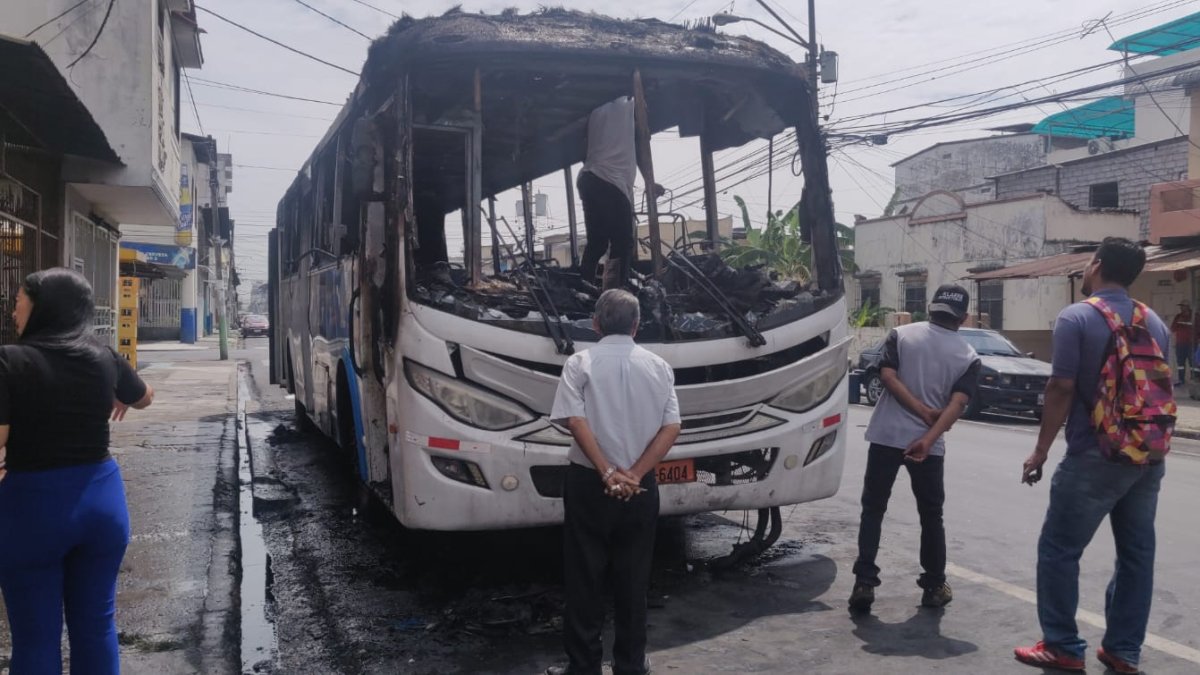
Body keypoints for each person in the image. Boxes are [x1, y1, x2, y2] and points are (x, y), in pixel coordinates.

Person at [1015, 238, 1170, 674]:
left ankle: (1063, 645)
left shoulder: (1077, 317)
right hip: (1147, 457)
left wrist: (1041, 449)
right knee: (1137, 553)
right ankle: (1123, 650)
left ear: (1097, 266)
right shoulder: (1153, 320)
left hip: (1094, 454)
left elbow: (1061, 387)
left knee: (1060, 549)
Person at [0, 268, 154, 673]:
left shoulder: (9, 361)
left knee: (35, 638)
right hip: (102, 504)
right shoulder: (103, 356)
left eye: (18, 302)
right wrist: (118, 393)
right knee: (96, 626)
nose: (14, 312)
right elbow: (144, 398)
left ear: (42, 307)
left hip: (33, 508)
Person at [546, 289, 681, 675]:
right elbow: (672, 427)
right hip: (641, 487)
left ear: (595, 323)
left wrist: (606, 471)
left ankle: (584, 667)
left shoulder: (580, 363)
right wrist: (634, 474)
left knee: (584, 578)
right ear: (637, 325)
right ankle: (630, 665)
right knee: (633, 580)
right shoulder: (659, 366)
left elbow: (575, 420)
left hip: (590, 483)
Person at [848, 284, 980, 613]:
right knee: (931, 516)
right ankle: (934, 586)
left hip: (886, 436)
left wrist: (918, 411)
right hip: (929, 446)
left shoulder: (901, 334)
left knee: (873, 509)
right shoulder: (968, 355)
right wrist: (928, 434)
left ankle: (865, 581)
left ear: (930, 308)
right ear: (964, 318)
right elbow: (958, 404)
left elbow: (888, 376)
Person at [577, 96, 663, 289]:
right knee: (623, 242)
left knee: (597, 242)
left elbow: (583, 147)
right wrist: (650, 182)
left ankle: (583, 286)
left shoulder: (597, 110)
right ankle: (615, 293)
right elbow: (641, 148)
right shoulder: (630, 107)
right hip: (611, 182)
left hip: (588, 178)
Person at [1170, 301, 1192, 385]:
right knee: (1180, 364)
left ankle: (1195, 380)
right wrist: (1179, 322)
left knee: (1193, 364)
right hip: (1180, 344)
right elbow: (1172, 329)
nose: (1181, 308)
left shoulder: (1194, 316)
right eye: (1181, 306)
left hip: (1192, 344)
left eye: (1183, 306)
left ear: (1187, 307)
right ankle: (1181, 380)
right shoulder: (1178, 317)